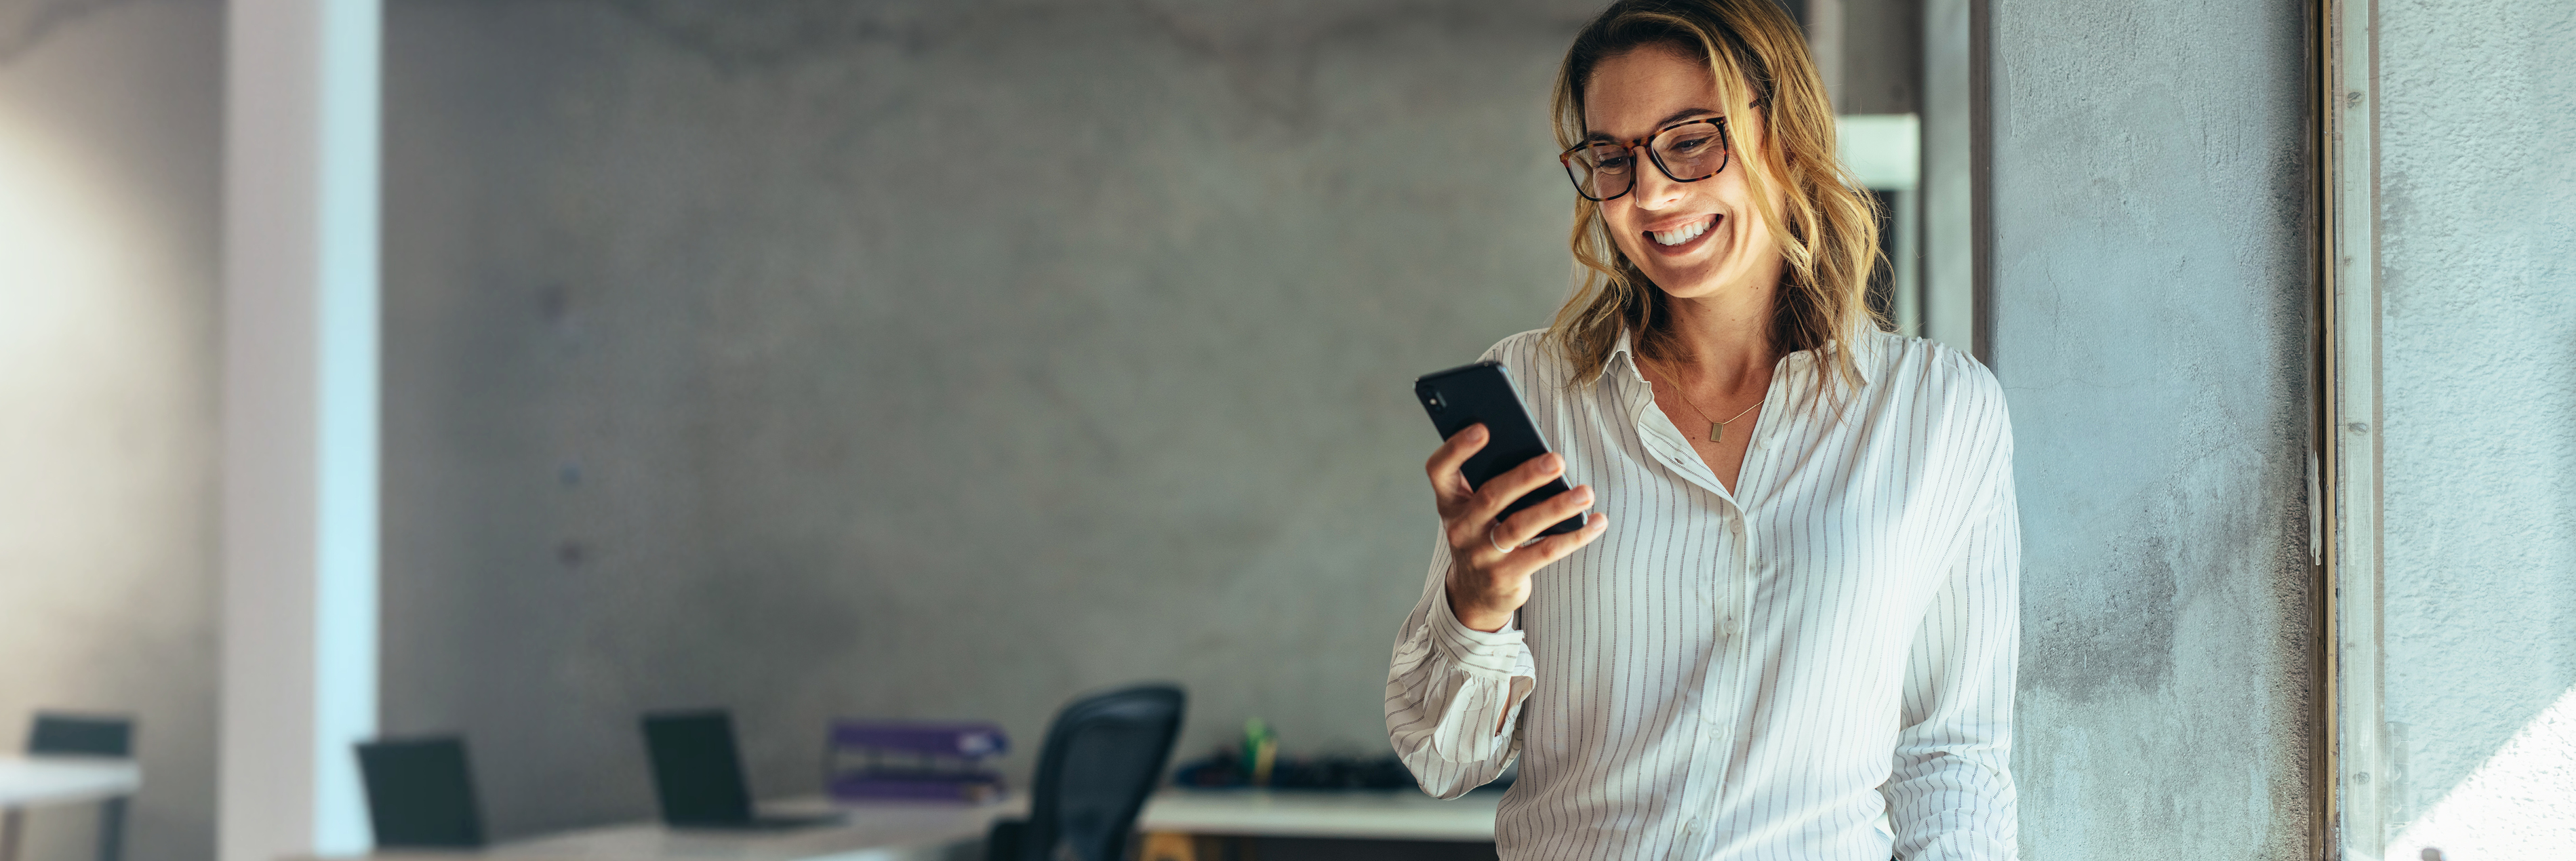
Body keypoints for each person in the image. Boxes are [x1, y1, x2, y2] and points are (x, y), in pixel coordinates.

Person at [1383, 1, 2019, 858]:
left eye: (1688, 139)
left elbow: (1950, 756)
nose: (1649, 192)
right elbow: (1441, 755)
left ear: (1782, 131)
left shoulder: (1940, 412)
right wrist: (1477, 604)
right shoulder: (1536, 393)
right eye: (1611, 157)